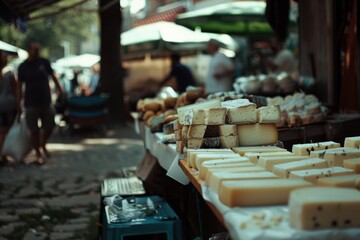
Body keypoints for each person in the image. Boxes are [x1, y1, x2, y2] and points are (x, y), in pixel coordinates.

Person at [18, 43, 65, 164]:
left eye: (37, 50)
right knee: (33, 130)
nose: (36, 52)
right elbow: (19, 85)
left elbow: (53, 76)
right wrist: (18, 102)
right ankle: (38, 153)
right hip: (30, 102)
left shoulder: (44, 62)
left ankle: (43, 145)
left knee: (50, 125)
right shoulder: (23, 67)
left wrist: (61, 91)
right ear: (29, 51)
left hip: (45, 101)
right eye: (34, 50)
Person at [0, 50, 18, 164]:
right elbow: (15, 89)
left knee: (2, 130)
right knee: (5, 131)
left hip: (5, 106)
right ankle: (3, 154)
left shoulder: (9, 72)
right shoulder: (10, 71)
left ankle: (2, 154)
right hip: (9, 105)